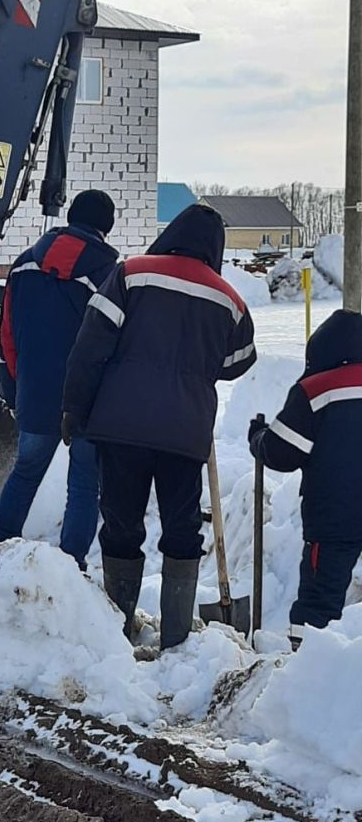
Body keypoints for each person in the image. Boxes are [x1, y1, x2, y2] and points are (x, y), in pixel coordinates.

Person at [63, 204, 256, 649]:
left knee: (122, 522)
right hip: (184, 434)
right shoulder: (229, 298)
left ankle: (118, 627)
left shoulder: (131, 274)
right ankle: (176, 638)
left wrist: (75, 407)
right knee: (182, 526)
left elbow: (90, 344)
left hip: (122, 424)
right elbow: (237, 363)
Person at [0, 189, 118, 569]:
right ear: (105, 226)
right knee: (83, 483)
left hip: (35, 392)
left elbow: (7, 334)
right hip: (87, 402)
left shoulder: (24, 265)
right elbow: (112, 343)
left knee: (26, 471)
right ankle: (70, 568)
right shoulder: (107, 274)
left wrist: (16, 385)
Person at [249, 309, 362, 650]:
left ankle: (305, 671)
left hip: (333, 518)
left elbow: (281, 454)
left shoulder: (315, 390)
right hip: (335, 516)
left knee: (319, 602)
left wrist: (258, 437)